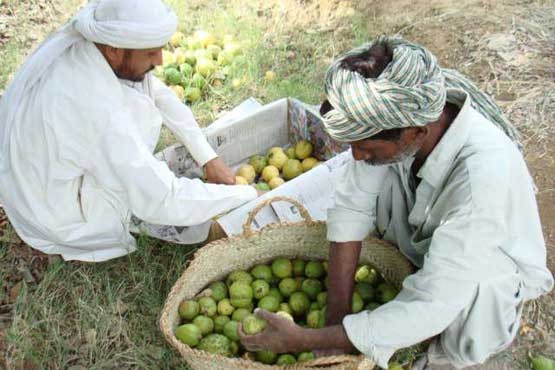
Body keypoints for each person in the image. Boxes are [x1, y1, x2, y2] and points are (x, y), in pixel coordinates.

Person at [239, 36, 553, 369]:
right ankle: (392, 309)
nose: (356, 155)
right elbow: (352, 207)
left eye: (367, 148)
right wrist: (335, 318)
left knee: (477, 290)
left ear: (416, 133)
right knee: (372, 180)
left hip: (486, 266)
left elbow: (435, 302)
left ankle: (444, 356)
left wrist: (305, 340)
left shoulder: (481, 179)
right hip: (431, 236)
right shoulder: (401, 120)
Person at [0, 0, 258, 262]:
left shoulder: (94, 49)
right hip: (53, 213)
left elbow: (158, 94)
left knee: (140, 104)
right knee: (142, 192)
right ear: (114, 50)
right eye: (150, 53)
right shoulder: (97, 109)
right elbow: (162, 198)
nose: (159, 60)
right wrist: (246, 194)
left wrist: (208, 157)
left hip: (34, 177)